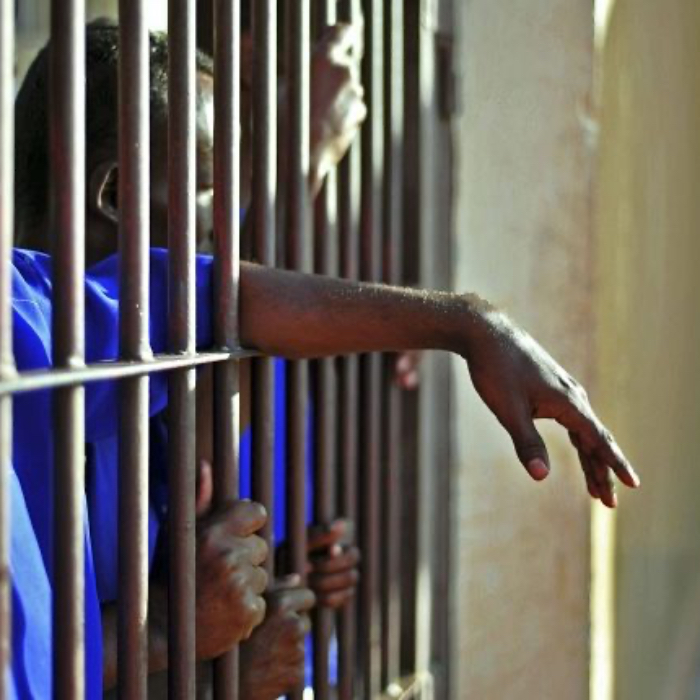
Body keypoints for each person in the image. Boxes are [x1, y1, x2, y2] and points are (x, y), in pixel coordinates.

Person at [12, 18, 639, 699]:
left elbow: (229, 301)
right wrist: (180, 644)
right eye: (211, 187)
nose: (229, 222)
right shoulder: (33, 329)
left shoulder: (120, 348)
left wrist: (471, 323)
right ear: (112, 196)